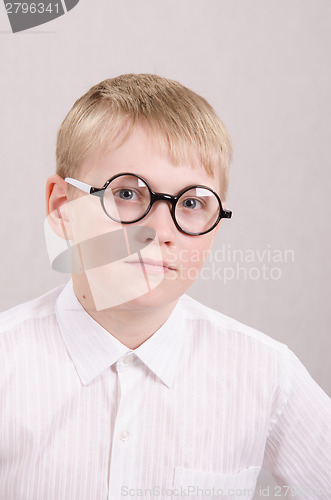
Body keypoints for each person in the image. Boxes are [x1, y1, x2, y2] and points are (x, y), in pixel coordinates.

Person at [0, 74, 330, 500]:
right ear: (63, 208)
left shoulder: (266, 374)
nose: (160, 230)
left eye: (191, 203)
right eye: (126, 194)